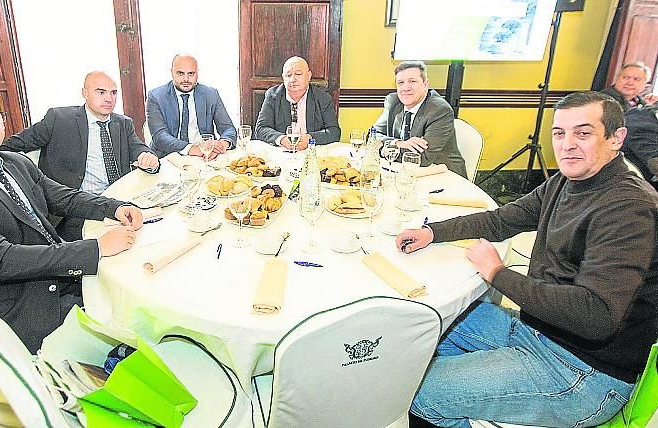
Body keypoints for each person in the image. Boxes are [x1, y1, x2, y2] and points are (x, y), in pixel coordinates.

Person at [397, 92, 658, 427]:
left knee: (417, 394)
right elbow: (501, 219)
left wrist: (498, 274)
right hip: (537, 330)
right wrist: (432, 232)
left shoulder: (629, 210)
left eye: (584, 133)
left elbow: (596, 315)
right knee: (421, 327)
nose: (567, 145)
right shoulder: (567, 181)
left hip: (581, 371)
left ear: (616, 138)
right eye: (559, 133)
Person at [0, 81, 144, 376]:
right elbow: (0, 261)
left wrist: (112, 207)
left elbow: (59, 195)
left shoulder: (12, 161)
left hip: (49, 281)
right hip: (7, 317)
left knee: (140, 288)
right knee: (139, 316)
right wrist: (96, 248)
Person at [1, 71, 159, 240]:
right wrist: (27, 179)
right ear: (85, 93)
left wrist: (148, 157)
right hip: (75, 211)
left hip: (118, 202)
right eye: (101, 92)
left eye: (113, 93)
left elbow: (139, 149)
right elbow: (9, 148)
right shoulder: (58, 119)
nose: (109, 98)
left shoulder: (123, 123)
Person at [373, 60, 466, 178]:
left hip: (443, 178)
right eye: (400, 82)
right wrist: (398, 143)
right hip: (404, 174)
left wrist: (382, 148)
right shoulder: (394, 102)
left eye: (412, 81)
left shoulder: (439, 110)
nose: (405, 88)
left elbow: (420, 158)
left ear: (425, 84)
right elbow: (372, 136)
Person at [146, 54, 236, 159]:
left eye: (191, 73)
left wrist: (222, 144)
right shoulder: (156, 96)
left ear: (197, 73)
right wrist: (192, 148)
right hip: (168, 157)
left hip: (205, 156)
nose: (186, 79)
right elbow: (160, 136)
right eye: (180, 73)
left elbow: (228, 128)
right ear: (172, 72)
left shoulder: (211, 94)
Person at [255, 56, 341, 149]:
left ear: (308, 76)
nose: (293, 79)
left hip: (312, 151)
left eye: (298, 74)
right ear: (283, 77)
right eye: (288, 75)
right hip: (282, 152)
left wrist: (310, 138)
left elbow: (334, 132)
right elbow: (261, 128)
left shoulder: (323, 98)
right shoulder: (273, 96)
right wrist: (281, 139)